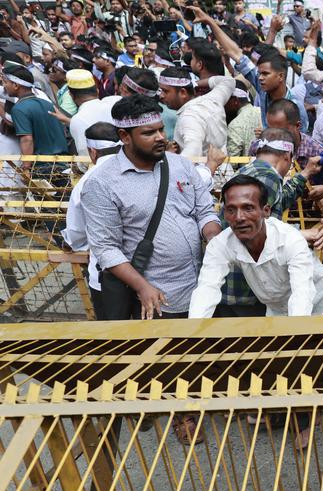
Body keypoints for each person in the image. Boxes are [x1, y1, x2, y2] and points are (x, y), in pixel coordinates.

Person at [82, 94, 222, 322]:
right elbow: (106, 248)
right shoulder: (102, 183)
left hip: (202, 290)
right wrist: (142, 287)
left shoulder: (181, 165)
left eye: (161, 130)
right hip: (155, 300)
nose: (160, 138)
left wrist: (213, 236)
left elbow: (204, 211)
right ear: (124, 136)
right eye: (148, 133)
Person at [189, 173, 323, 318]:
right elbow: (206, 289)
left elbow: (302, 293)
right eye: (231, 210)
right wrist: (192, 333)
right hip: (277, 308)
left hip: (318, 298)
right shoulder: (221, 244)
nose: (239, 217)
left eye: (248, 208)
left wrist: (295, 333)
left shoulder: (290, 240)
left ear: (266, 211)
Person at [63, 121, 121, 320]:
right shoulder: (139, 170)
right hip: (147, 271)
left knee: (113, 334)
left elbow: (76, 233)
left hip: (106, 273)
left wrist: (69, 242)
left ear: (92, 152)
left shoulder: (86, 183)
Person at [158, 66, 236, 160]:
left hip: (206, 172)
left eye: (165, 91)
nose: (161, 95)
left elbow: (192, 153)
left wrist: (171, 159)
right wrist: (194, 83)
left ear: (183, 92)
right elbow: (228, 81)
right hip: (222, 169)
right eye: (161, 90)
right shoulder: (211, 99)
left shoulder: (189, 117)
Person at [3, 63, 68, 157]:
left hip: (41, 165)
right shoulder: (47, 104)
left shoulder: (19, 108)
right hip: (62, 161)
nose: (4, 86)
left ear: (16, 85)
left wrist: (26, 168)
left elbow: (26, 140)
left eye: (6, 82)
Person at [64, 69, 120, 157]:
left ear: (71, 95)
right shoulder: (114, 102)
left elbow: (86, 159)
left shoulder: (78, 119)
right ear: (97, 91)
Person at [265, 98, 323, 168]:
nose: (275, 136)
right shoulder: (262, 146)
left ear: (297, 126)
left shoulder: (317, 153)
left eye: (282, 131)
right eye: (270, 129)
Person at [225, 80, 262, 157]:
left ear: (235, 100)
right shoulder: (263, 113)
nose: (223, 105)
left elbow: (232, 162)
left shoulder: (234, 125)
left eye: (225, 100)